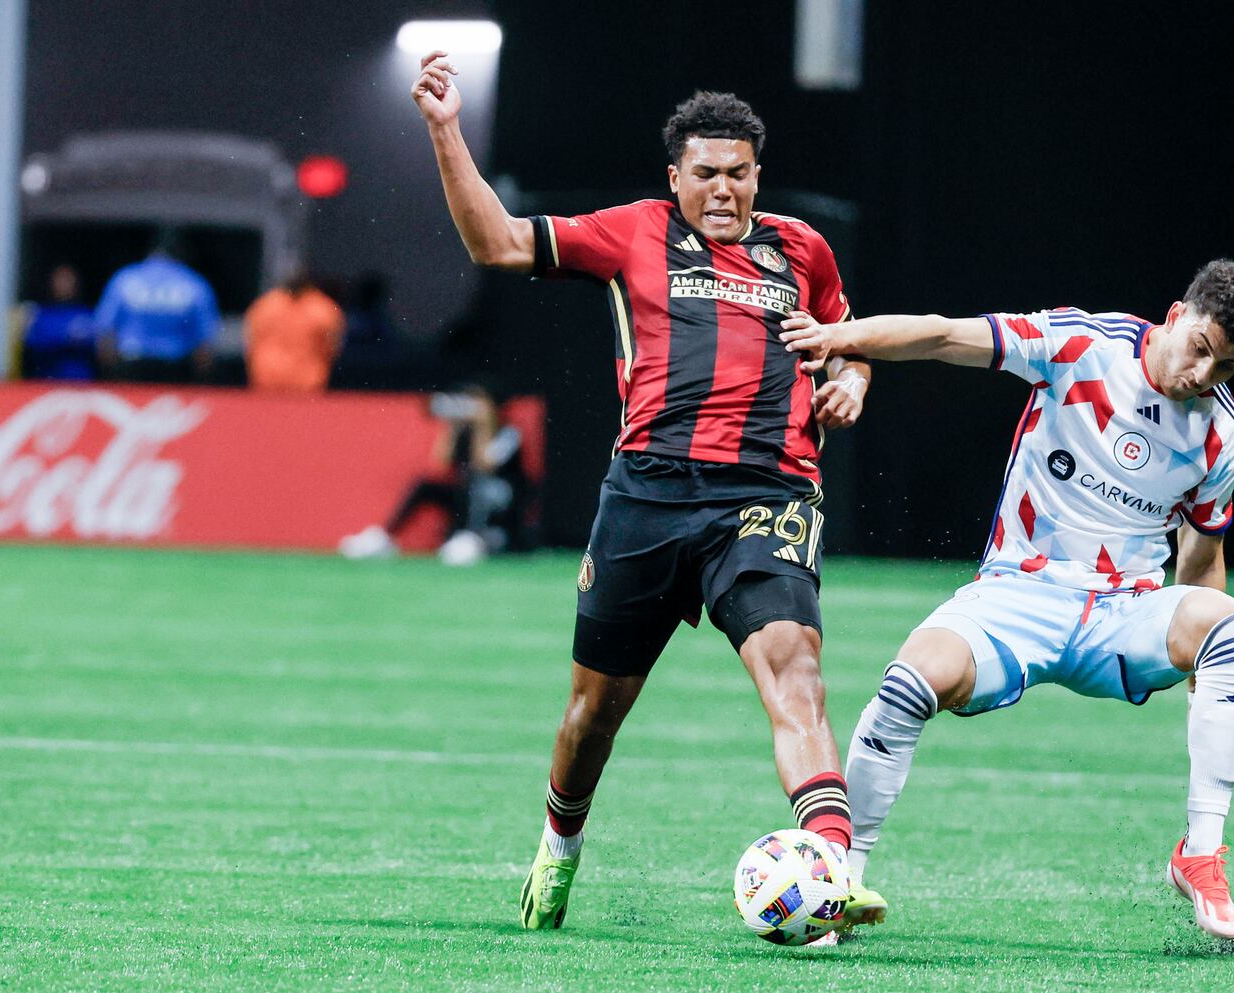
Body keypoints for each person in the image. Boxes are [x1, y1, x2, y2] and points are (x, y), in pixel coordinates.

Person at [411, 53, 883, 932]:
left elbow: (845, 339)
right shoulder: (632, 231)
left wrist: (851, 376)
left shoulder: (803, 250)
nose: (723, 190)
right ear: (676, 177)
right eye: (705, 174)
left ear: (756, 177)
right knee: (593, 714)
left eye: (738, 175)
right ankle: (560, 845)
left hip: (767, 495)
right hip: (648, 497)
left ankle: (832, 868)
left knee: (797, 673)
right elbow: (499, 242)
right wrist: (445, 127)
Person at [780, 259, 1234, 941]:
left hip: (1122, 615)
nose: (1201, 375)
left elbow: (1202, 559)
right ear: (1175, 316)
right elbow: (941, 335)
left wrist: (1204, 671)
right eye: (1199, 348)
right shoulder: (1083, 347)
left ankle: (1200, 852)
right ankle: (840, 879)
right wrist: (842, 336)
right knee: (909, 681)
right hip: (1016, 597)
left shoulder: (1222, 437)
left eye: (1224, 368)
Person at [338, 386, 508, 566]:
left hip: (495, 498)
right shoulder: (465, 431)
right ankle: (384, 537)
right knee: (424, 485)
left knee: (479, 486)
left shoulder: (509, 433)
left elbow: (485, 466)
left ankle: (472, 539)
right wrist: (454, 427)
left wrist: (484, 426)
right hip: (464, 495)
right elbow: (441, 461)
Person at [94, 233, 220, 384]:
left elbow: (105, 329)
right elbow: (205, 341)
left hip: (131, 365)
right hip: (175, 369)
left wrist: (110, 374)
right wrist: (202, 379)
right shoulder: (193, 282)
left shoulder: (125, 278)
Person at [243, 272, 345, 393]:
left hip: (268, 379)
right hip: (307, 382)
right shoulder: (323, 309)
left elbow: (250, 342)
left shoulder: (265, 305)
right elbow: (333, 348)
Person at [20, 264, 97, 381]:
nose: (64, 285)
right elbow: (32, 343)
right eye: (60, 280)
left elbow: (100, 344)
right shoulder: (40, 314)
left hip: (81, 387)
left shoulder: (86, 314)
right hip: (46, 385)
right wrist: (68, 337)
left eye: (68, 280)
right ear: (51, 283)